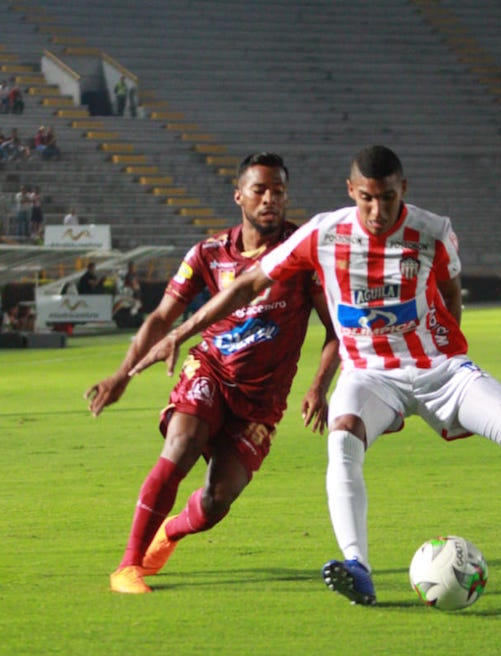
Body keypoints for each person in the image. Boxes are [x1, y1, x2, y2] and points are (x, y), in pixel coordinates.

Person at [130, 145, 501, 606]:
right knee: (342, 439)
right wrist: (180, 333)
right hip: (369, 375)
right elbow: (246, 285)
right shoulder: (324, 233)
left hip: (439, 370)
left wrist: (447, 346)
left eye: (387, 197)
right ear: (351, 192)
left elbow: (449, 287)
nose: (377, 210)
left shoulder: (433, 231)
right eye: (366, 198)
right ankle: (357, 566)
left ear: (403, 189)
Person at [85, 152, 339, 595]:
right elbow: (162, 318)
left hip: (263, 400)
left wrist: (319, 386)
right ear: (239, 195)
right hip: (211, 371)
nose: (270, 200)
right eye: (260, 190)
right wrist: (122, 375)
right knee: (181, 444)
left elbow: (335, 329)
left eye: (278, 191)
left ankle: (170, 533)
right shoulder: (207, 253)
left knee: (217, 500)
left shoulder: (303, 254)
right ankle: (128, 566)